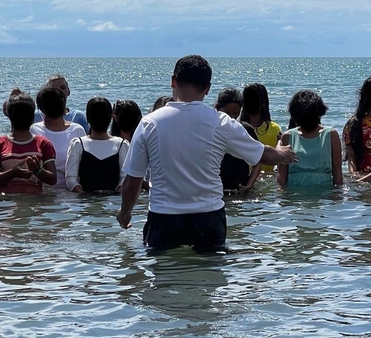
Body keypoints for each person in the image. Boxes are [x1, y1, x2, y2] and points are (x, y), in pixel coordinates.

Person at [115, 54, 297, 251]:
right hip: (209, 217)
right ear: (207, 88)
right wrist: (282, 153)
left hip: (164, 217)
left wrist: (125, 213)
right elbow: (262, 154)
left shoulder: (149, 123)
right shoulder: (220, 122)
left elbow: (133, 182)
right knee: (210, 279)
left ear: (173, 81)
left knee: (165, 278)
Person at [0, 91, 57, 194]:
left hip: (31, 202)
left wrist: (38, 170)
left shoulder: (43, 143)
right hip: (12, 204)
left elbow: (53, 179)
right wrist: (13, 173)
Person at [278, 90, 343, 187]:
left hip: (323, 194)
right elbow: (281, 177)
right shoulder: (288, 136)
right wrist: (283, 198)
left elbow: (337, 172)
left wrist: (337, 196)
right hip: (295, 193)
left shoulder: (331, 134)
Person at [65, 96, 129, 193]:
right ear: (111, 117)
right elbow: (125, 179)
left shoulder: (78, 143)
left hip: (85, 204)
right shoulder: (121, 144)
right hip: (112, 204)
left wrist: (84, 196)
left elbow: (71, 179)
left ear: (88, 117)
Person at [30, 85, 86, 187]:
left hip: (71, 190)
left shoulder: (77, 130)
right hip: (44, 191)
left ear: (42, 109)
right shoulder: (34, 129)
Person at [215, 87, 262, 192]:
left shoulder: (245, 129)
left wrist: (249, 185)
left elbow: (258, 161)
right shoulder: (211, 130)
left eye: (236, 113)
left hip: (241, 188)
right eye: (227, 113)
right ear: (217, 108)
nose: (232, 118)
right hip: (217, 188)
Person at [240, 83, 281, 173]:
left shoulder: (275, 129)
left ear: (263, 102)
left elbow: (279, 160)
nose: (251, 103)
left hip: (266, 181)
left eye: (254, 100)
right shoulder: (237, 127)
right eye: (248, 100)